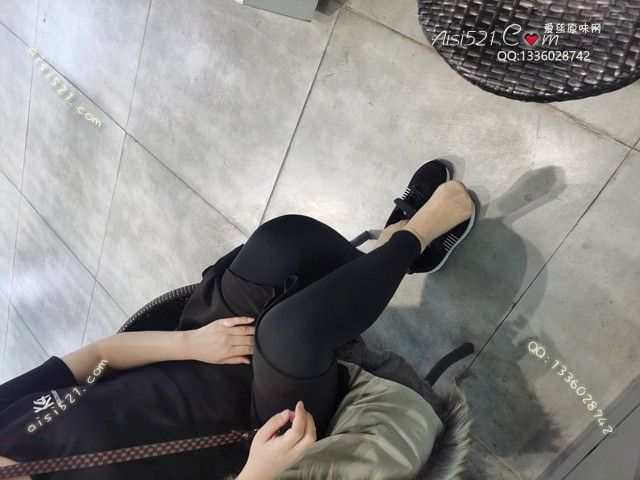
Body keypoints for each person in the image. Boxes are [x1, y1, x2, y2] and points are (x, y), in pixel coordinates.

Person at [0, 160, 475, 480]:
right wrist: (255, 475)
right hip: (252, 428)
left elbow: (98, 358)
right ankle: (414, 236)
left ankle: (392, 256)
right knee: (289, 333)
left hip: (196, 356)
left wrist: (191, 345)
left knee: (283, 241)